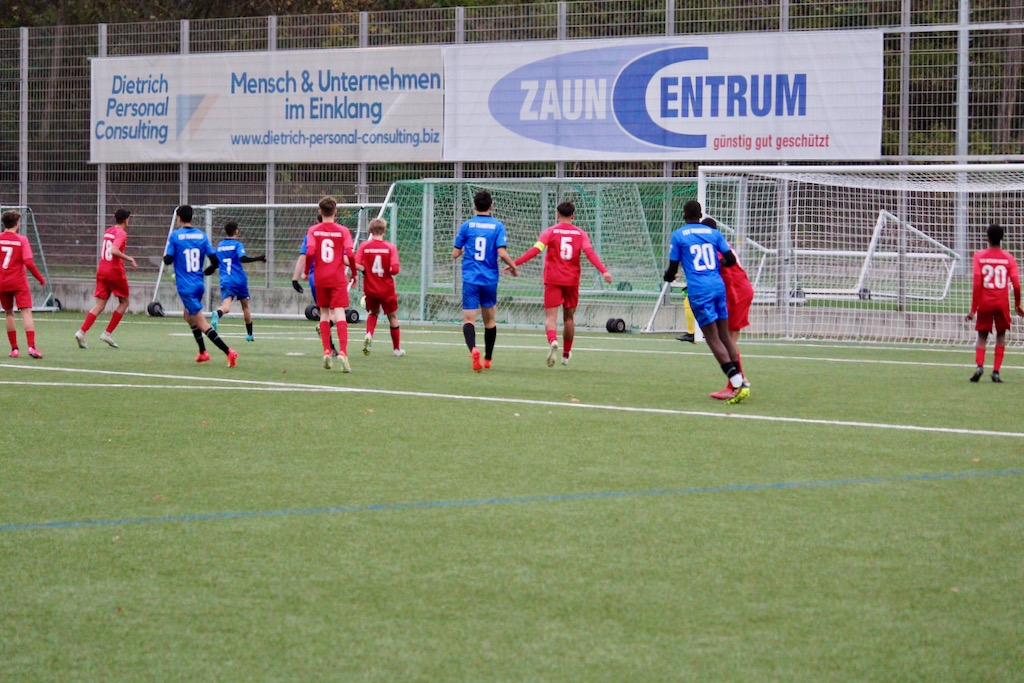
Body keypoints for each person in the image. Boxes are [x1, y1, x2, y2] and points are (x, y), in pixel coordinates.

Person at [663, 200, 749, 404]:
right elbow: (730, 260)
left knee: (711, 338)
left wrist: (669, 277)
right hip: (718, 287)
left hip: (700, 291)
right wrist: (715, 264)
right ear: (700, 214)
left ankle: (737, 383)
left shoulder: (678, 235)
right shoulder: (714, 234)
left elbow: (671, 270)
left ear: (684, 214)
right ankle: (739, 380)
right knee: (726, 336)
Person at [510, 201, 612, 367]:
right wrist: (604, 271)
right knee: (569, 318)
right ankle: (565, 354)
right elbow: (590, 253)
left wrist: (515, 263)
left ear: (557, 215)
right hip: (571, 281)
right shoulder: (581, 234)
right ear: (573, 216)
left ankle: (553, 340)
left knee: (551, 317)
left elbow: (536, 250)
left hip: (552, 279)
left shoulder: (550, 232)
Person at [163, 205, 238, 367]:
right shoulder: (201, 236)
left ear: (179, 218)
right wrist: (207, 271)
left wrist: (168, 259)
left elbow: (168, 259)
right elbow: (214, 261)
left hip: (185, 287)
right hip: (198, 284)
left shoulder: (175, 236)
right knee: (187, 316)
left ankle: (229, 352)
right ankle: (203, 352)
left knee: (202, 323)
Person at [452, 190, 518, 372]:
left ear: (474, 206)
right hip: (489, 280)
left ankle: (473, 349)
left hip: (471, 279)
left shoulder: (466, 226)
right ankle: (488, 359)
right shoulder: (497, 226)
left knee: (468, 320)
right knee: (490, 321)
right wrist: (513, 266)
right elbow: (502, 253)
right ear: (491, 207)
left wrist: (464, 249)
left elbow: (455, 253)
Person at [702, 216, 755, 400]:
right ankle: (738, 381)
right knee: (730, 338)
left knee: (726, 339)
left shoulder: (714, 248)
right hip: (742, 290)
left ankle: (737, 384)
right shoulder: (723, 244)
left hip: (735, 293)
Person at [304, 196, 358, 372]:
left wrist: (306, 271)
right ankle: (343, 351)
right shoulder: (343, 230)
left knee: (324, 314)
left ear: (320, 212)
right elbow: (350, 254)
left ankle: (327, 351)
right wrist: (354, 273)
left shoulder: (313, 230)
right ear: (335, 212)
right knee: (340, 312)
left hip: (320, 278)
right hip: (337, 278)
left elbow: (310, 251)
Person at [966, 222, 1023, 382]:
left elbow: (977, 283)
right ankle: (996, 371)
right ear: (1002, 238)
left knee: (982, 335)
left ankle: (979, 366)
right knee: (1001, 334)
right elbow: (1017, 285)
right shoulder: (1009, 258)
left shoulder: (979, 256)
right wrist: (1018, 304)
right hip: (1001, 302)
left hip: (984, 303)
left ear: (988, 238)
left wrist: (973, 309)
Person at [75, 208, 137, 349]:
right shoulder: (121, 233)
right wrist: (130, 259)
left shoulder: (109, 231)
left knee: (100, 304)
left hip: (102, 270)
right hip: (114, 271)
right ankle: (107, 333)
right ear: (126, 220)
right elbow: (114, 250)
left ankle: (81, 332)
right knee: (124, 302)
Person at [355, 216, 404, 357]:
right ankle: (396, 349)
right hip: (386, 288)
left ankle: (369, 334)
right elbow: (395, 269)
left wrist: (367, 270)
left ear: (370, 230)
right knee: (392, 316)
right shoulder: (390, 247)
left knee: (373, 312)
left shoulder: (364, 246)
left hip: (370, 287)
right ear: (384, 230)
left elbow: (356, 264)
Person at [209, 221, 266, 342]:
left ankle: (218, 313)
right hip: (239, 280)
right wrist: (259, 258)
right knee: (245, 306)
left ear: (225, 232)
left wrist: (204, 272)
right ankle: (249, 334)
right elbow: (243, 258)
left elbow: (215, 264)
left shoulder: (219, 246)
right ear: (236, 231)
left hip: (226, 280)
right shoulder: (237, 245)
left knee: (226, 307)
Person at [0, 210, 46, 359]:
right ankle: (31, 347)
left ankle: (14, 349)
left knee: (8, 313)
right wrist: (40, 278)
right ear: (17, 224)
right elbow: (28, 262)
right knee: (26, 311)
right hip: (19, 282)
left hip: (2, 282)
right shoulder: (22, 240)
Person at [292, 211, 338, 357]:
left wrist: (295, 278)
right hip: (332, 277)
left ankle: (329, 347)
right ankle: (326, 331)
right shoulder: (337, 233)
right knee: (336, 313)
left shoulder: (310, 235)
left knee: (324, 313)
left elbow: (302, 258)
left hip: (315, 279)